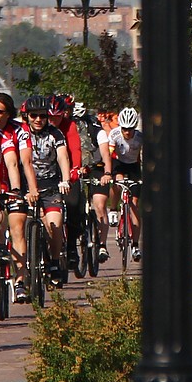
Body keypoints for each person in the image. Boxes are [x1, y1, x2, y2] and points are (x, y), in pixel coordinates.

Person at [0, 93, 38, 302]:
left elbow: (20, 162)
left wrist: (25, 190)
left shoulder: (18, 131)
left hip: (14, 184)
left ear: (9, 114)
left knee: (17, 228)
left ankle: (20, 281)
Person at [21, 93, 71, 284]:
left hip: (50, 185)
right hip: (27, 186)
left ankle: (55, 262)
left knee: (54, 225)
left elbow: (62, 157)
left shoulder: (55, 134)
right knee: (19, 225)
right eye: (34, 116)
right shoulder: (22, 133)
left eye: (42, 116)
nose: (38, 120)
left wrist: (65, 179)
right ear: (27, 116)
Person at [48, 93, 84, 271]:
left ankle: (71, 246)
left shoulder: (69, 126)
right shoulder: (39, 127)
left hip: (67, 172)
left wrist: (75, 169)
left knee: (73, 203)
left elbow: (75, 149)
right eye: (50, 116)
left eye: (58, 116)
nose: (53, 120)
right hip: (47, 174)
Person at [75, 101, 113, 263]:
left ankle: (102, 245)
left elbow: (105, 153)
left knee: (99, 205)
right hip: (77, 169)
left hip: (97, 168)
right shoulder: (67, 131)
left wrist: (107, 172)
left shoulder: (98, 131)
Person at [106, 107, 144, 260]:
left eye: (130, 129)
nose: (127, 132)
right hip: (119, 163)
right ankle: (114, 209)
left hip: (134, 165)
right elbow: (108, 154)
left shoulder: (140, 137)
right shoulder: (114, 135)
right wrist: (107, 173)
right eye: (124, 129)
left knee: (134, 205)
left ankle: (135, 245)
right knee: (118, 182)